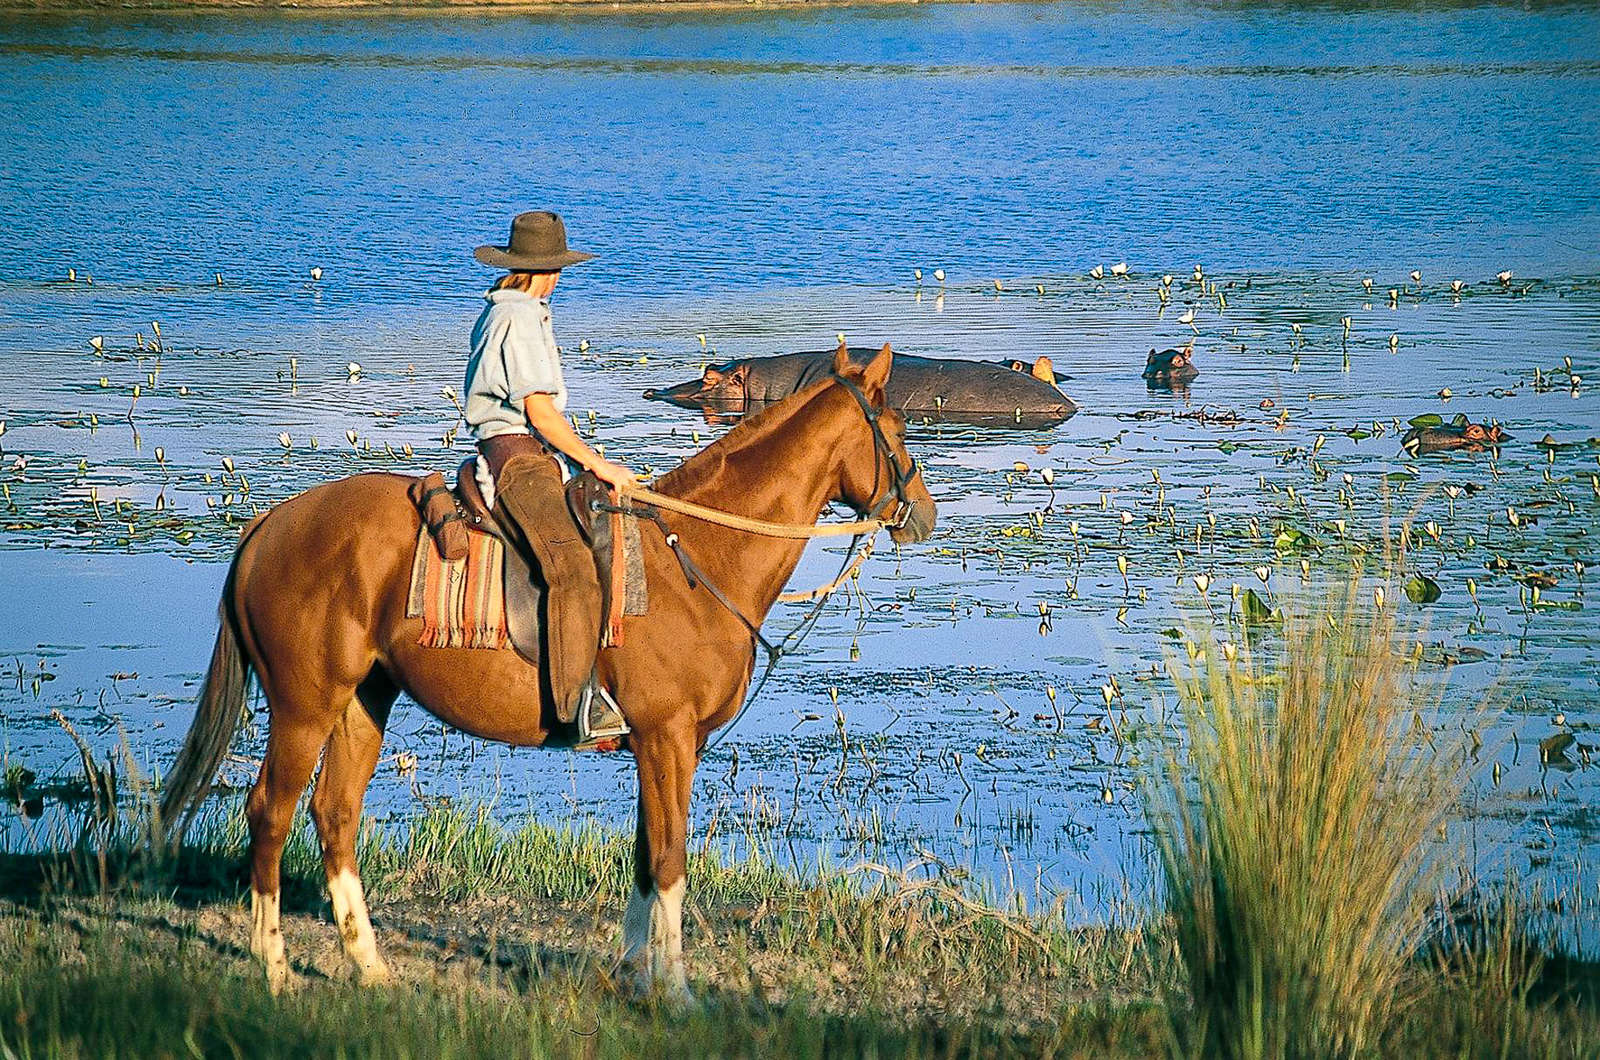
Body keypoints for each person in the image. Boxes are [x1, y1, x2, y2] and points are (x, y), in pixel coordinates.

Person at [464, 210, 630, 744]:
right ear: (544, 271)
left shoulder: (518, 311)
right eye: (557, 269)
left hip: (530, 453)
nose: (559, 279)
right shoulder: (517, 317)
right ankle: (578, 704)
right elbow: (539, 413)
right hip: (518, 456)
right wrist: (598, 463)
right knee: (574, 568)